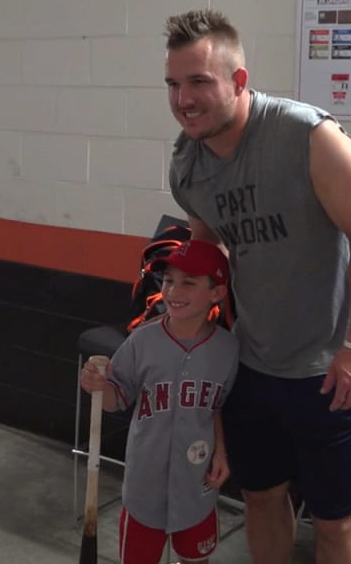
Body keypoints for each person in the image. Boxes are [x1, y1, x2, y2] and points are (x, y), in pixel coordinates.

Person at [163, 9, 351, 564]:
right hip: (250, 365)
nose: (182, 99)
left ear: (238, 81)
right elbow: (208, 246)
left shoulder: (307, 136)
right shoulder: (187, 165)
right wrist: (185, 325)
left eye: (199, 81)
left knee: (336, 522)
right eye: (173, 83)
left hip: (327, 370)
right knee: (261, 499)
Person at [80, 239, 239, 564]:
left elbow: (219, 407)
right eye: (168, 281)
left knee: (196, 559)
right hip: (144, 485)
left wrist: (221, 451)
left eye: (188, 283)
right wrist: (98, 387)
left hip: (197, 482)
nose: (173, 291)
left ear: (217, 293)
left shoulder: (229, 349)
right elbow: (116, 398)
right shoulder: (143, 341)